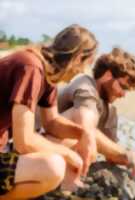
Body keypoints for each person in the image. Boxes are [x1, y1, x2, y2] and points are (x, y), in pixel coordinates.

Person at [0, 24, 98, 199]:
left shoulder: (47, 74)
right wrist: (69, 156)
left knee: (66, 143)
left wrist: (85, 135)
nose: (82, 71)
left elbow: (52, 123)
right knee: (52, 166)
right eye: (86, 64)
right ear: (78, 58)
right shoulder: (31, 67)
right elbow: (24, 142)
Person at [48, 47, 135, 177]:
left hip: (57, 157)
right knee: (85, 128)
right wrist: (124, 154)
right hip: (36, 143)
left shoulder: (109, 111)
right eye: (123, 87)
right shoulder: (84, 84)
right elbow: (86, 124)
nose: (123, 94)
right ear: (108, 75)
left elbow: (111, 155)